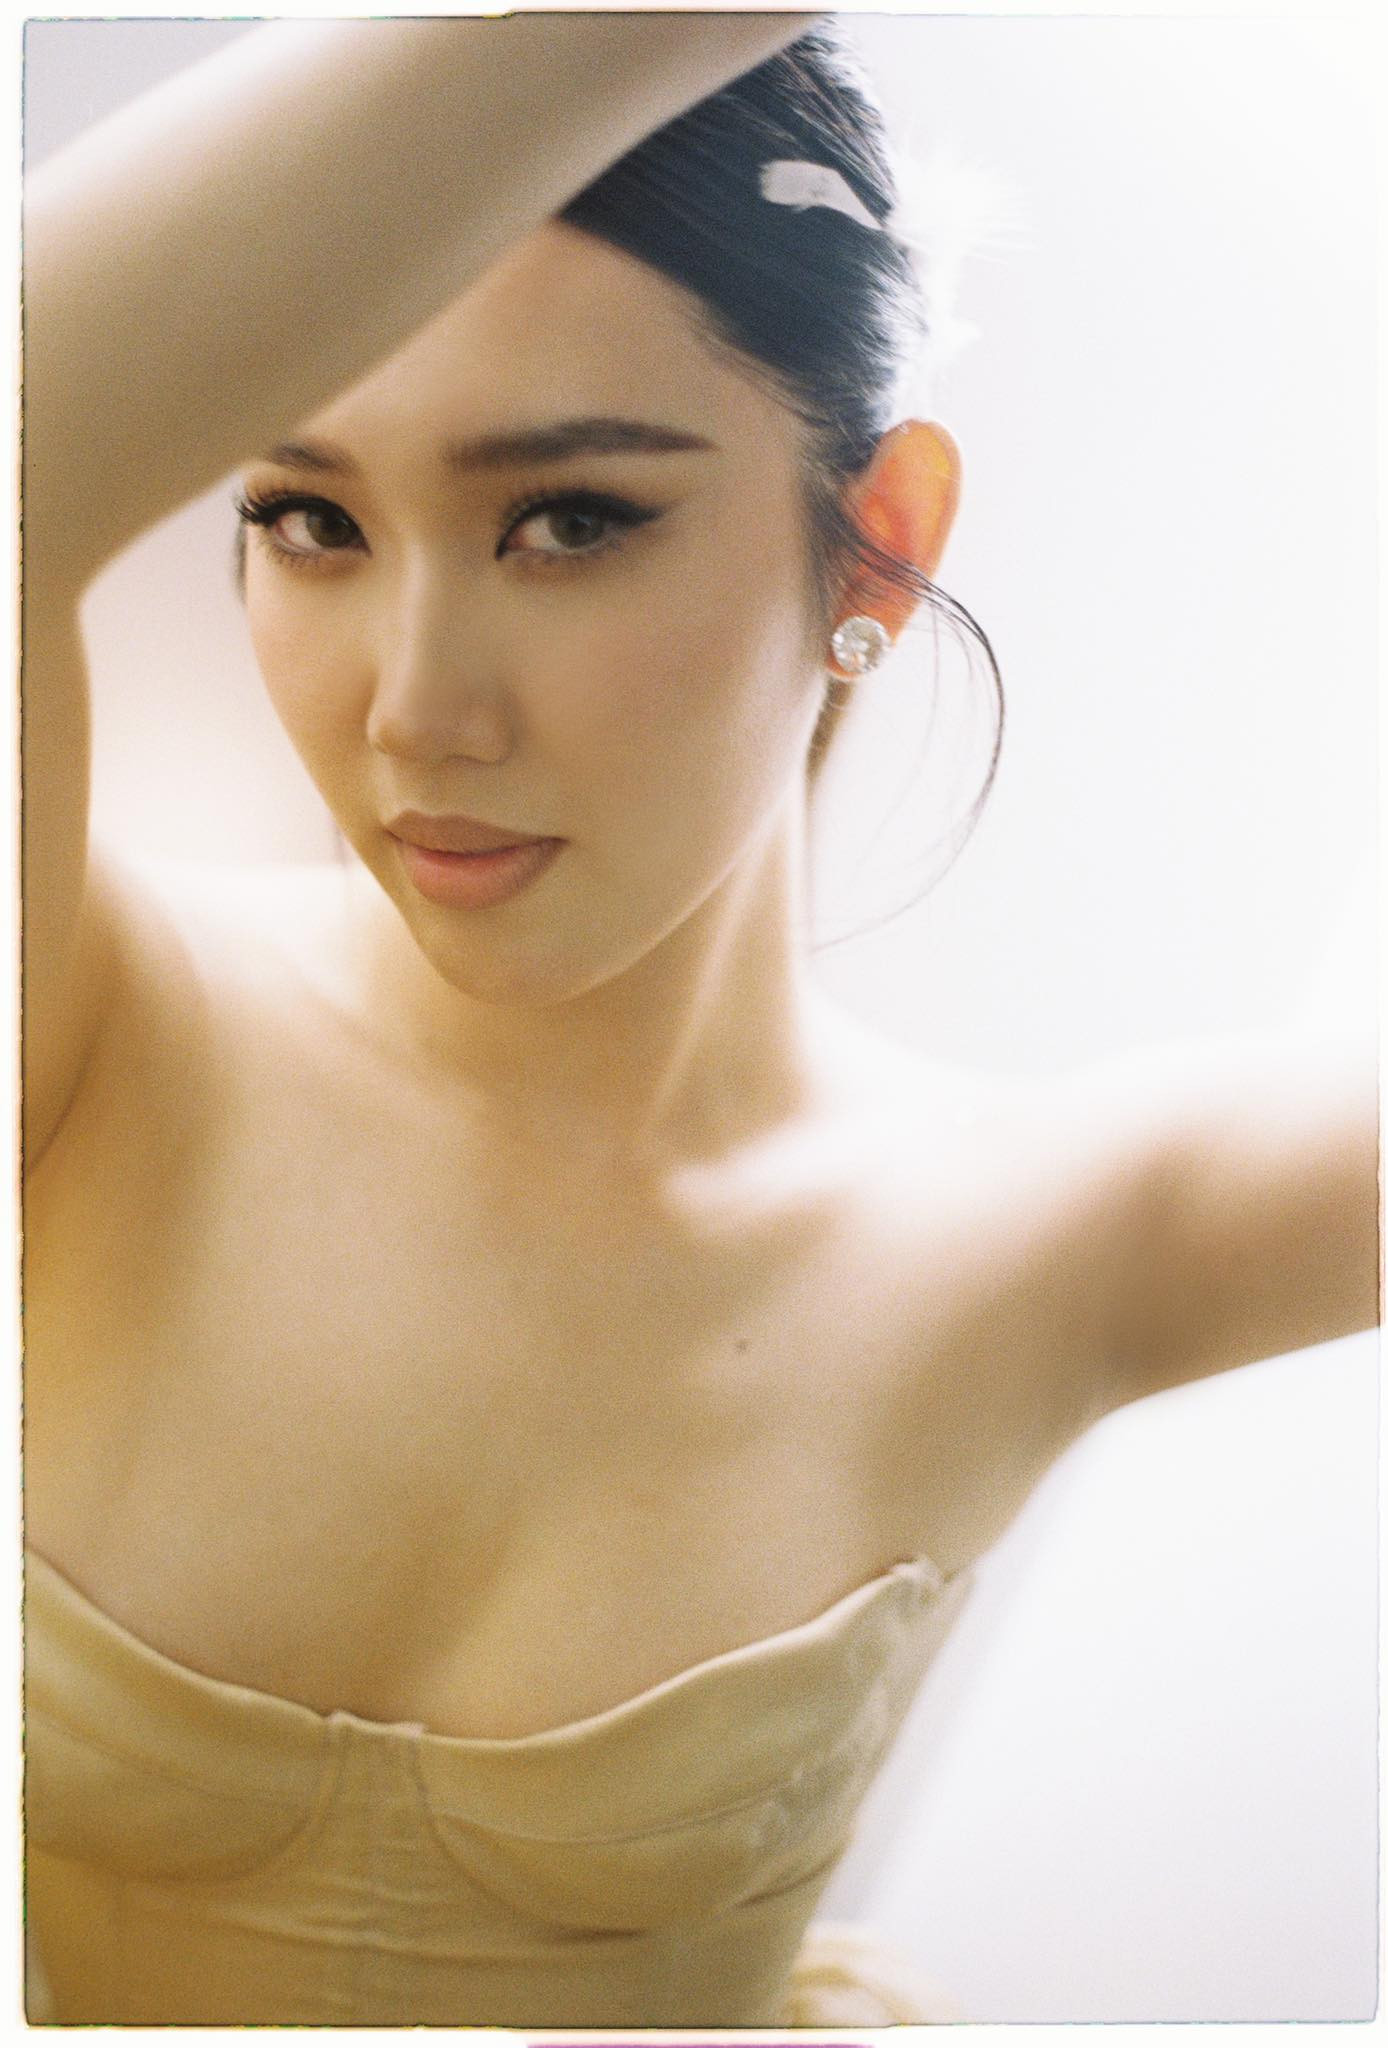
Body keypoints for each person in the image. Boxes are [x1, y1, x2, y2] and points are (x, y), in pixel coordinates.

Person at [20, 13, 1378, 2028]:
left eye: (568, 519)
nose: (416, 708)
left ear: (881, 542)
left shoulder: (1057, 1237)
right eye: (310, 519)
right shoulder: (80, 1029)